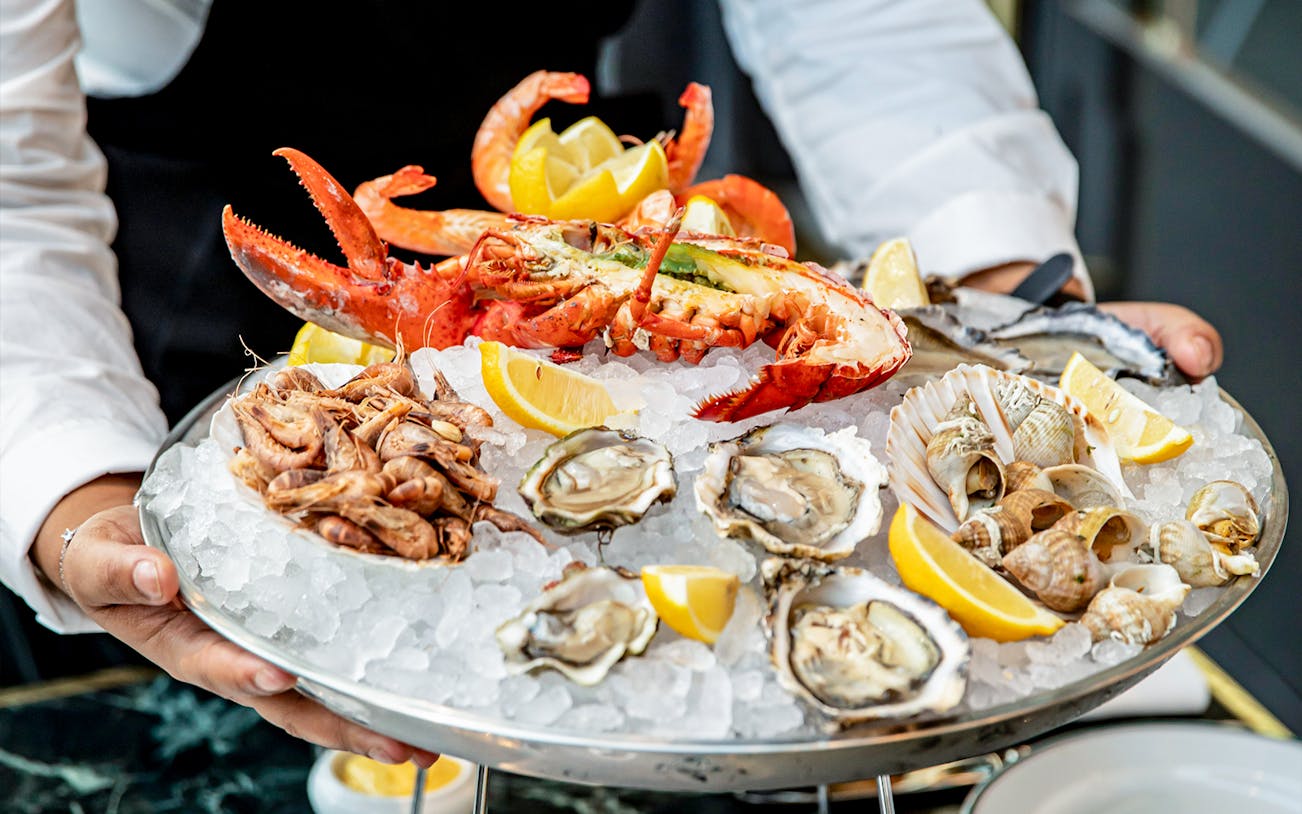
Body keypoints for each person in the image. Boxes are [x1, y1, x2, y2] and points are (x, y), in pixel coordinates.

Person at [1, 0, 1221, 766]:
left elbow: (866, 17)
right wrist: (69, 488)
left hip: (587, 219)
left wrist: (1012, 294)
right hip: (155, 293)